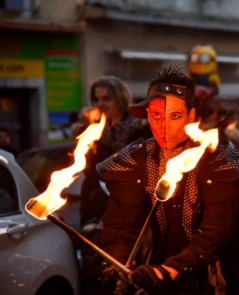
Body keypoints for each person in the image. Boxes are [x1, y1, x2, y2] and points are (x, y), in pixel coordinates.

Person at [96, 66, 239, 295]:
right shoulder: (134, 160)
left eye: (174, 116)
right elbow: (121, 227)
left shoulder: (218, 156)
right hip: (156, 285)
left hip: (219, 282)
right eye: (156, 116)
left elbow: (216, 232)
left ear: (191, 116)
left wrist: (169, 270)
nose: (163, 126)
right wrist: (118, 268)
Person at [79, 76, 152, 295]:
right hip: (96, 210)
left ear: (120, 98)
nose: (100, 104)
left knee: (126, 276)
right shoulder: (93, 132)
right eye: (97, 98)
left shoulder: (140, 130)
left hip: (130, 211)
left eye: (106, 98)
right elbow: (89, 172)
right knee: (97, 274)